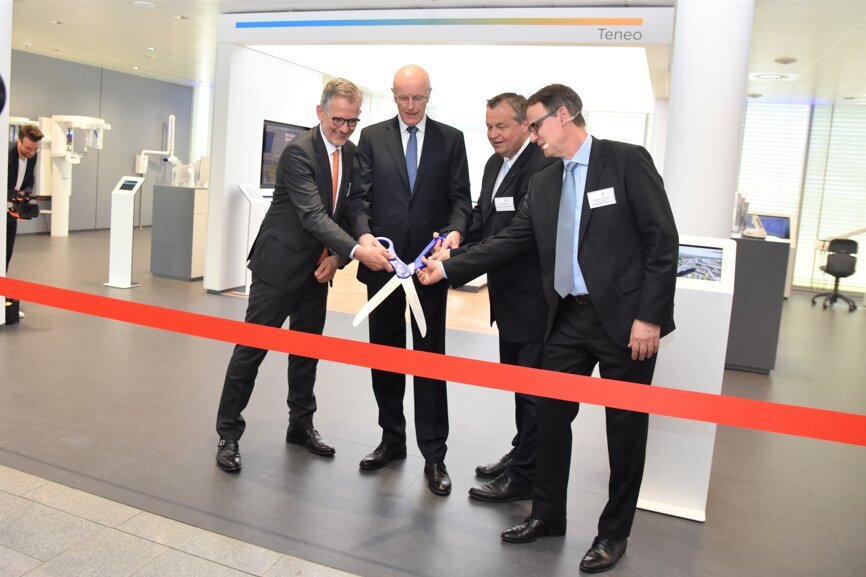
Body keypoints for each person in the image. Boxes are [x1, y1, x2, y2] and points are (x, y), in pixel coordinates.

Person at [418, 83, 678, 572]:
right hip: (568, 317)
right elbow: (514, 238)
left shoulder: (626, 161)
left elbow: (663, 241)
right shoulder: (546, 181)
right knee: (549, 418)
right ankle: (548, 514)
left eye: (535, 124)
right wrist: (450, 268)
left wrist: (650, 317)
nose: (532, 135)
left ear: (564, 116)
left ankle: (612, 533)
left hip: (626, 323)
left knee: (625, 431)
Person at [215, 78, 392, 473]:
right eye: (338, 120)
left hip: (317, 270)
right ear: (320, 112)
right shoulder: (297, 154)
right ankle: (228, 433)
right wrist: (359, 251)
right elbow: (312, 214)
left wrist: (339, 258)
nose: (345, 129)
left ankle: (301, 425)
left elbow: (348, 209)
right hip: (278, 269)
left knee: (306, 352)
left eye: (352, 121)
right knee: (250, 353)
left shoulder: (354, 155)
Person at [344, 64, 471, 496]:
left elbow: (460, 202)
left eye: (418, 98)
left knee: (430, 363)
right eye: (403, 98)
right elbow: (358, 199)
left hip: (428, 271)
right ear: (393, 95)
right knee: (385, 356)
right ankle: (391, 440)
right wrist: (363, 237)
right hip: (382, 268)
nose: (411, 106)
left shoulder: (451, 140)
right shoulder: (373, 137)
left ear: (429, 95)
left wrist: (454, 234)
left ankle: (434, 455)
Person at [438, 93, 555, 502]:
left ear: (526, 125)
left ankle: (525, 476)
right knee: (519, 386)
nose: (492, 134)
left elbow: (515, 238)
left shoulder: (543, 167)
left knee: (534, 393)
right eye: (488, 126)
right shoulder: (493, 165)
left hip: (535, 302)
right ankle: (522, 452)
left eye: (501, 126)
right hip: (506, 301)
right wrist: (455, 238)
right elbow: (485, 220)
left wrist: (453, 264)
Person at [7, 125, 44, 270]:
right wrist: (16, 195)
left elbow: (30, 178)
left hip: (11, 210)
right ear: (19, 141)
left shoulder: (32, 156)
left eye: (35, 149)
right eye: (28, 148)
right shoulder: (5, 155)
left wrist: (27, 193)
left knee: (7, 252)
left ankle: (2, 288)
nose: (32, 152)